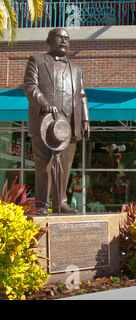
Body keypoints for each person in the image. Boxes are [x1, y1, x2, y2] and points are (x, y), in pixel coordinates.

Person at [22, 28, 90, 215]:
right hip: (44, 121)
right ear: (49, 40)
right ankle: (41, 203)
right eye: (59, 38)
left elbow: (82, 95)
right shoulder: (36, 61)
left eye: (67, 39)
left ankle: (61, 203)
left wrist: (85, 118)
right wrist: (43, 103)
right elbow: (29, 86)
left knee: (65, 166)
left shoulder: (76, 69)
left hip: (68, 123)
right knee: (44, 165)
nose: (64, 41)